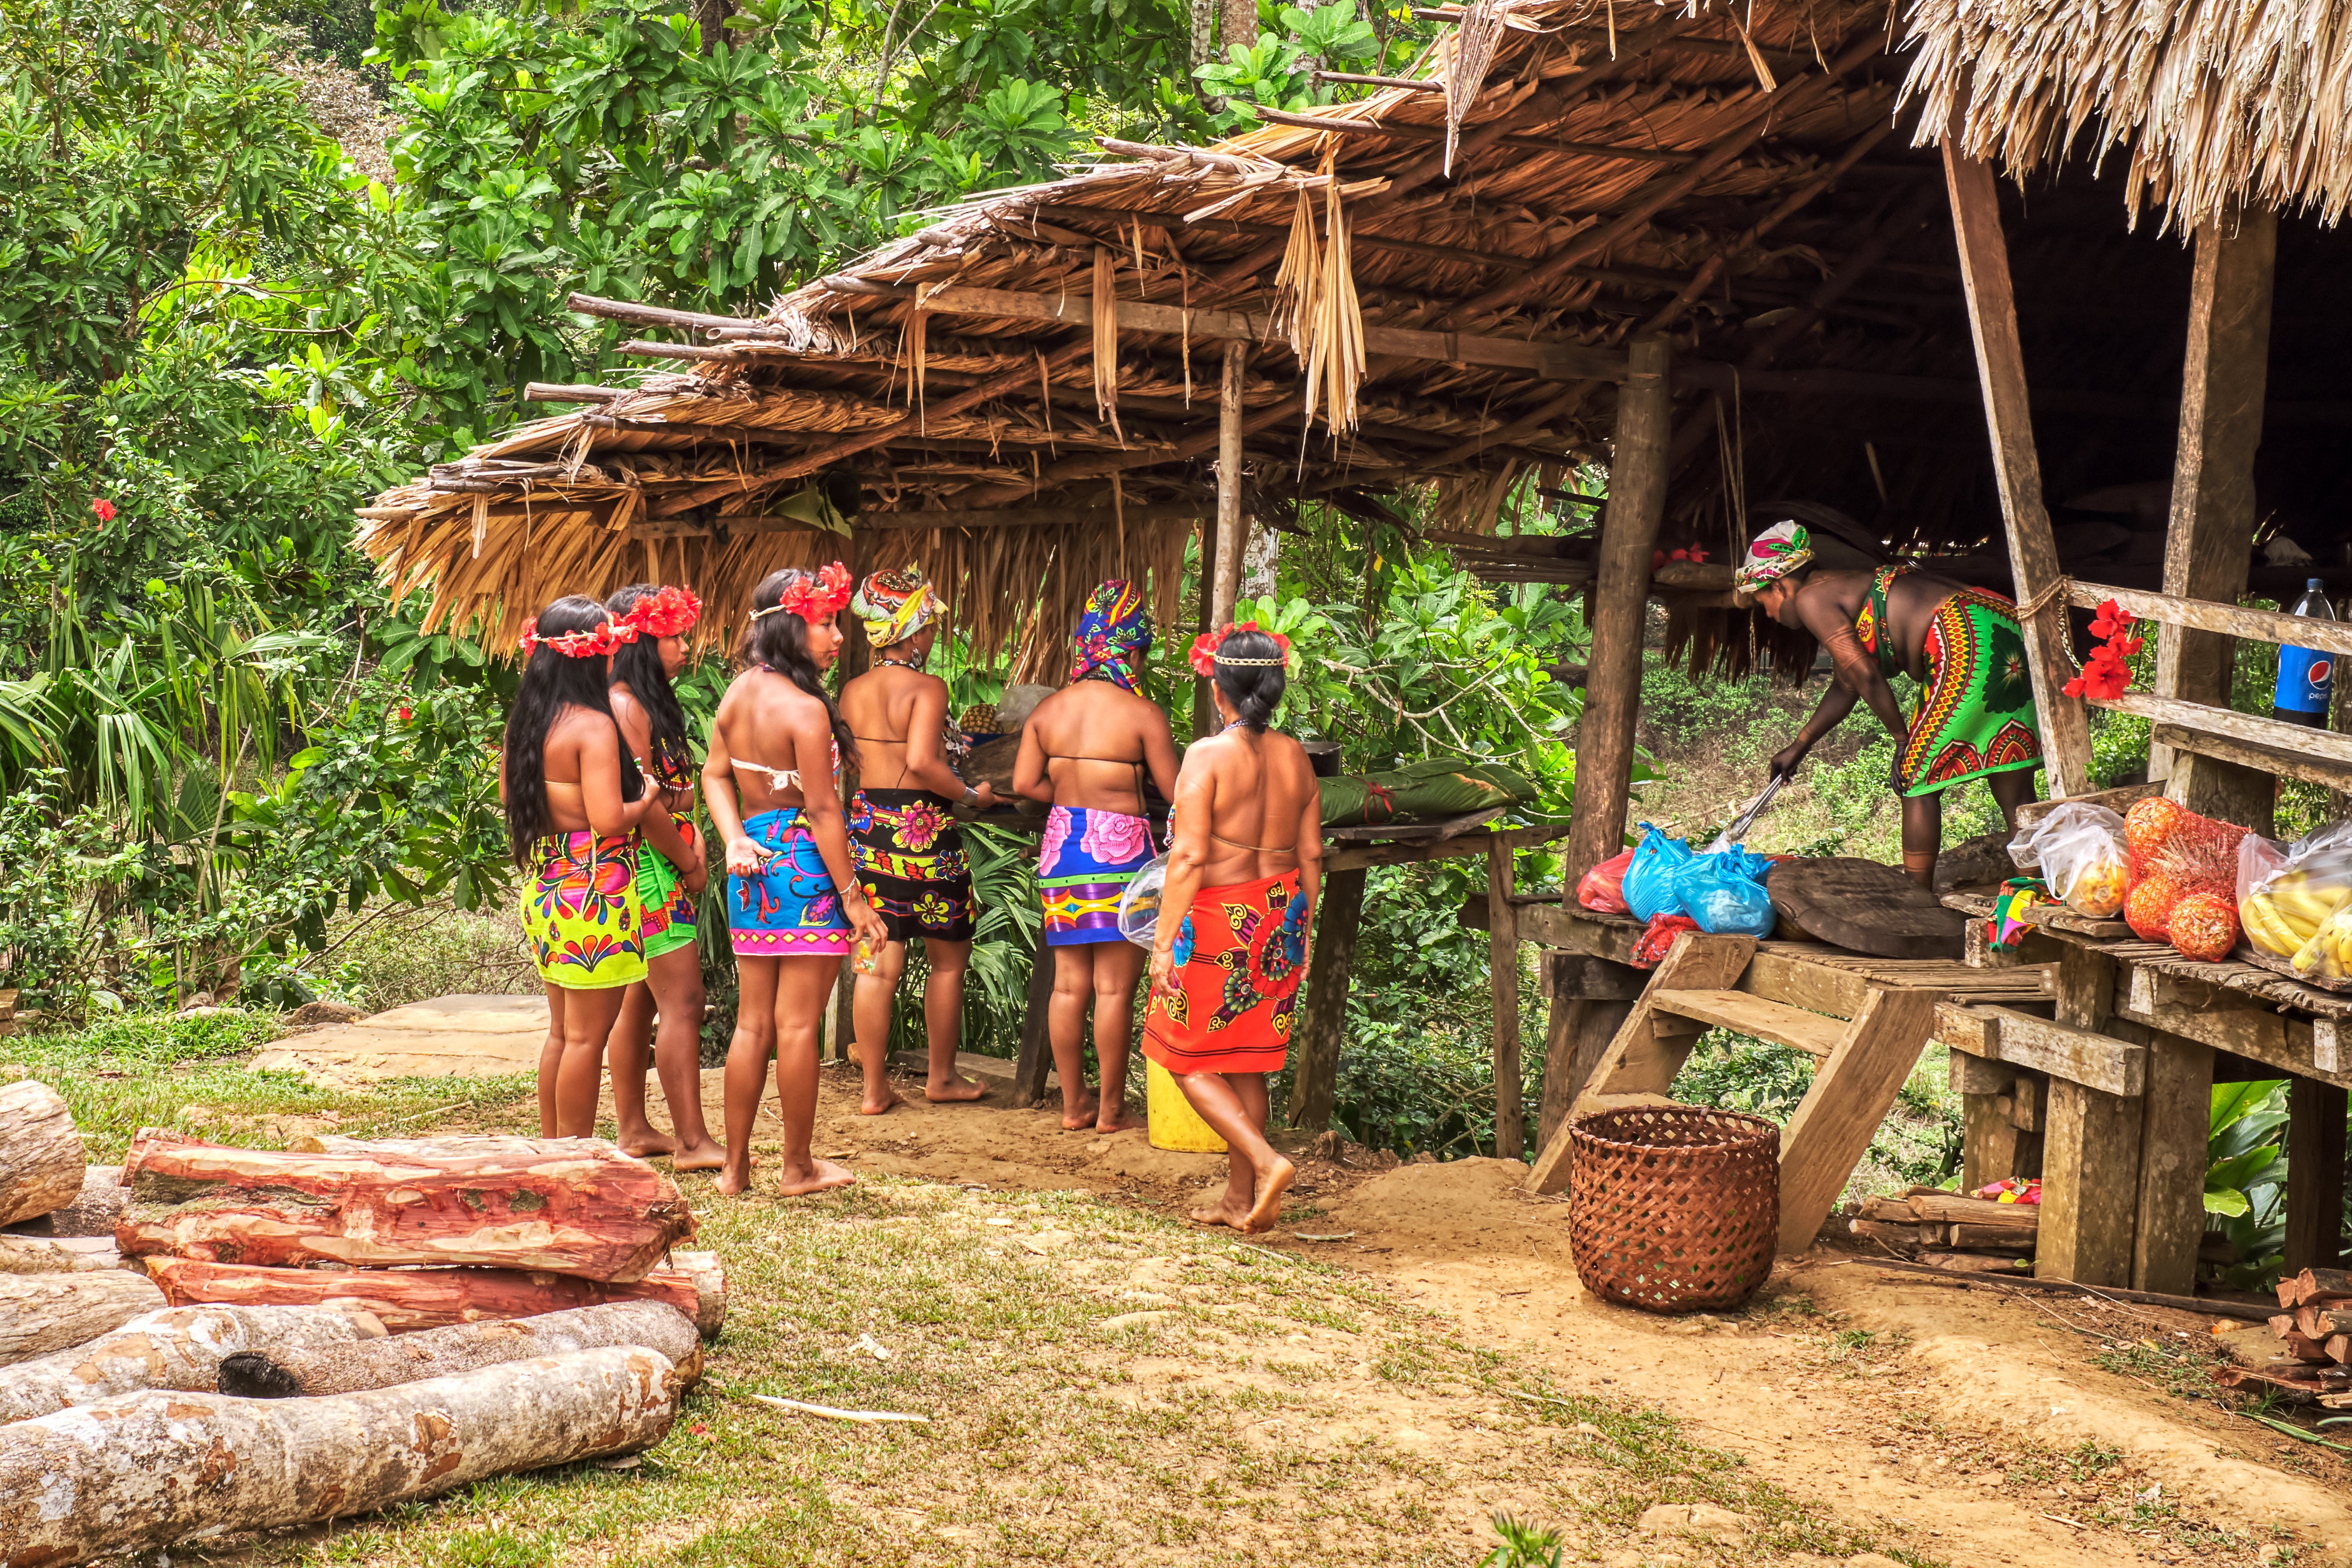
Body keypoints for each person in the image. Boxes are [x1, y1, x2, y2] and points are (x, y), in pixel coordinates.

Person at [700, 563, 889, 1197]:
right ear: (788, 625)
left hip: (751, 868)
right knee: (799, 1026)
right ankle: (797, 1166)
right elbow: (823, 811)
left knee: (752, 1024)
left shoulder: (737, 692)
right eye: (826, 623)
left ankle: (733, 1168)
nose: (838, 636)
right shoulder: (805, 710)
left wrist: (732, 838)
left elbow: (713, 776)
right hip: (806, 868)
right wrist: (854, 898)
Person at [1738, 518, 2043, 888]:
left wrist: (1903, 741)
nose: (1769, 614)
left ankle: (1915, 901)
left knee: (1915, 776)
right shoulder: (1840, 587)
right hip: (2004, 624)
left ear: (1781, 585)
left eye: (1763, 601)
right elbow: (1845, 685)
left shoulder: (1808, 597)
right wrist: (1800, 746)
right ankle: (2037, 892)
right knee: (2011, 774)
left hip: (1965, 636)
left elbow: (1866, 675)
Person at [1143, 623, 1321, 1233]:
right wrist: (1301, 929)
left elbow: (1188, 858)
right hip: (1278, 918)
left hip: (1218, 918)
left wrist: (1162, 942)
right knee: (1246, 1061)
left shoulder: (1205, 755)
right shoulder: (1295, 756)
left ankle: (1269, 1163)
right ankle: (1239, 1198)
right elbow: (1312, 856)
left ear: (1220, 690)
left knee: (1183, 1056)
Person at [1013, 580, 1181, 1133]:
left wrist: (1069, 799)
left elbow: (1023, 783)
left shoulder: (1047, 713)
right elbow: (1177, 790)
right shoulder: (1142, 715)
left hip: (1062, 851)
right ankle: (1110, 1107)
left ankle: (1071, 1105)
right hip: (1123, 854)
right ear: (1131, 651)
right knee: (1113, 990)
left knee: (1068, 987)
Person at [500, 597, 660, 1138]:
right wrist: (649, 796)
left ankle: (553, 1149)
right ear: (589, 656)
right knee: (589, 1038)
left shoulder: (524, 724)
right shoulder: (593, 727)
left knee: (563, 1033)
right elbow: (610, 819)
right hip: (594, 891)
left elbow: (511, 797)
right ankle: (576, 1157)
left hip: (546, 887)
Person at [839, 566, 997, 1114]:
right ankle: (941, 1077)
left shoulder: (852, 690)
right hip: (923, 829)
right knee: (948, 962)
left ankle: (873, 1089)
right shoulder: (928, 688)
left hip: (868, 825)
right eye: (928, 626)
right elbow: (924, 762)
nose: (933, 635)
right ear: (910, 631)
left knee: (877, 961)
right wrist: (974, 797)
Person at [601, 583, 725, 1170]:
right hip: (648, 867)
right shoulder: (628, 706)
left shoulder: (634, 702)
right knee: (684, 1000)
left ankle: (633, 1129)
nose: (684, 647)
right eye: (672, 636)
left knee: (639, 1002)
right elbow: (644, 804)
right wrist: (688, 860)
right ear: (641, 643)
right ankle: (694, 1142)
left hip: (645, 864)